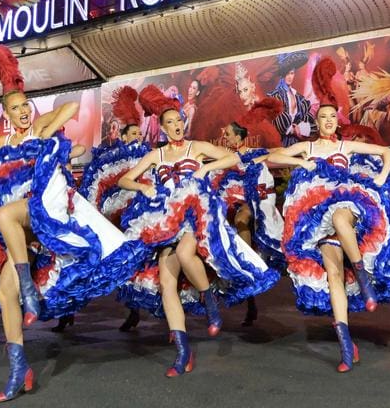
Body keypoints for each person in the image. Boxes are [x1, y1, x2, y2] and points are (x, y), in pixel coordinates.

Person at [0, 45, 145, 402]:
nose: (23, 111)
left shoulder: (40, 130)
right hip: (18, 234)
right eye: (16, 109)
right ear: (7, 114)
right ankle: (18, 369)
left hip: (42, 211)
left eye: (26, 105)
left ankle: (29, 287)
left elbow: (69, 108)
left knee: (5, 214)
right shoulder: (3, 141)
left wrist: (46, 126)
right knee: (4, 294)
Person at [118, 84, 279, 377]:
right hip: (167, 220)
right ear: (163, 128)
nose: (177, 126)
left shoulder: (197, 147)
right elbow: (125, 180)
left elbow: (232, 157)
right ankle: (183, 352)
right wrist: (143, 186)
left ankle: (210, 301)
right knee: (166, 283)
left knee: (185, 252)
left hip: (195, 217)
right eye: (170, 123)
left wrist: (205, 169)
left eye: (179, 120)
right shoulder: (157, 155)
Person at [267, 56, 390, 372]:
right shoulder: (308, 147)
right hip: (318, 220)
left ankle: (363, 278)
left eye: (333, 116)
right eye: (324, 117)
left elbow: (387, 152)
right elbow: (273, 155)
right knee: (333, 277)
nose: (329, 120)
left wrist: (382, 178)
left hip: (348, 205)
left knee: (341, 217)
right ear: (317, 121)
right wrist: (300, 162)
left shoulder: (346, 147)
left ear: (337, 120)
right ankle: (346, 345)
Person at [76, 86, 151, 332]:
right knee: (125, 264)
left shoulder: (150, 156)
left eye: (140, 133)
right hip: (121, 218)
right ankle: (133, 309)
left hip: (146, 215)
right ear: (124, 137)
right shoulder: (113, 158)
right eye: (133, 134)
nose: (138, 137)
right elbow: (98, 183)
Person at [209, 100, 286, 326]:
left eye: (228, 134)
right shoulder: (226, 156)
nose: (225, 137)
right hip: (229, 201)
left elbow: (276, 153)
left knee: (242, 218)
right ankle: (245, 292)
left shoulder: (253, 153)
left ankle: (248, 262)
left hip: (250, 200)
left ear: (238, 136)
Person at [266, 51, 313, 146]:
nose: (289, 77)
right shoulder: (276, 96)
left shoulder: (299, 97)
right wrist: (293, 130)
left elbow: (309, 120)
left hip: (299, 142)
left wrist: (301, 130)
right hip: (282, 143)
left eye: (292, 73)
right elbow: (278, 123)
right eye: (287, 74)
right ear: (282, 75)